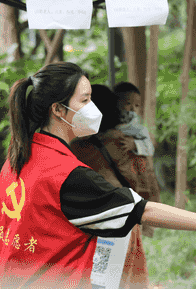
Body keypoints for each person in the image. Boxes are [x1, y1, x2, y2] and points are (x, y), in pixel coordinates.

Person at [0, 62, 196, 289]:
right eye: (85, 99)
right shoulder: (68, 174)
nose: (93, 109)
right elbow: (142, 210)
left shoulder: (15, 162)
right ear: (57, 109)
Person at [70, 84, 152, 288]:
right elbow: (141, 180)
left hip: (85, 225)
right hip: (122, 218)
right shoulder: (124, 142)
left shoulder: (75, 146)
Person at [113, 82, 155, 158]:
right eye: (128, 103)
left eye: (137, 105)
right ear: (115, 104)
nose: (133, 108)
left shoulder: (139, 129)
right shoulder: (108, 125)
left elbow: (150, 149)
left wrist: (135, 144)